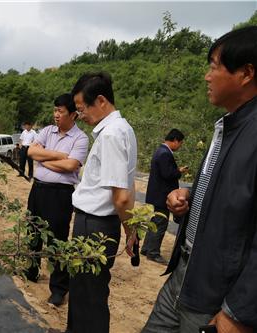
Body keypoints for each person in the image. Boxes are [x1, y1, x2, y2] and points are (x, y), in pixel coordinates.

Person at [142, 26, 257, 333]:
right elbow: (233, 192)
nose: (207, 77)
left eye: (214, 67)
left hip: (218, 295)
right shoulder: (226, 127)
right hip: (187, 271)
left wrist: (239, 312)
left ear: (246, 73)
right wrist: (191, 197)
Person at [69, 72, 137, 333]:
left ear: (100, 101)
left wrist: (130, 231)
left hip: (95, 226)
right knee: (81, 287)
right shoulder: (123, 130)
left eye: (81, 108)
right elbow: (128, 186)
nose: (80, 115)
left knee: (91, 295)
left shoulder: (111, 135)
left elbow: (120, 197)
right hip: (94, 223)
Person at [25, 94, 89, 306]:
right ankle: (31, 270)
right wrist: (60, 156)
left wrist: (44, 160)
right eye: (55, 110)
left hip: (60, 194)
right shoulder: (46, 130)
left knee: (57, 240)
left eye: (60, 112)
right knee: (33, 232)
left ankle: (59, 288)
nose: (56, 115)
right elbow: (32, 151)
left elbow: (71, 166)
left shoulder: (80, 138)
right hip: (38, 190)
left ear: (73, 114)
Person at [141, 128, 188, 265]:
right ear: (175, 140)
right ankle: (153, 253)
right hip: (162, 195)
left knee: (156, 222)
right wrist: (178, 172)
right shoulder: (165, 154)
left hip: (158, 194)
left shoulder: (162, 151)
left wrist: (176, 170)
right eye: (180, 143)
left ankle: (146, 248)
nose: (179, 146)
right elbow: (167, 174)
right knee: (161, 223)